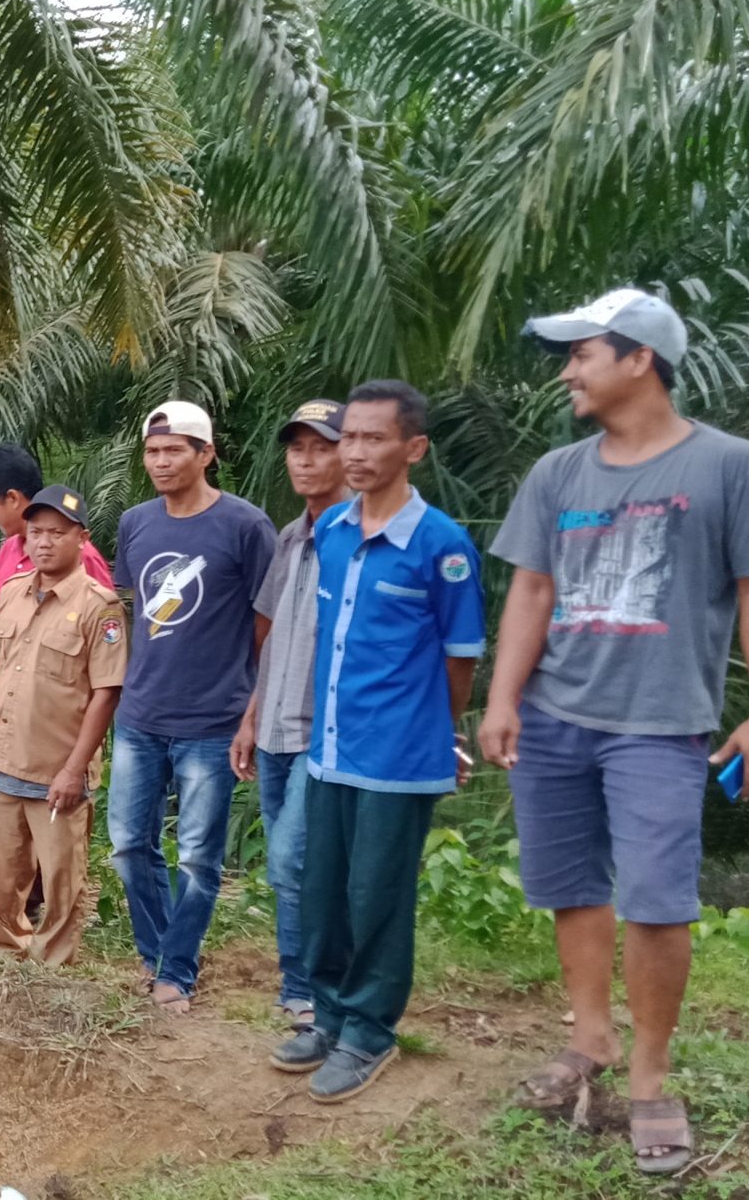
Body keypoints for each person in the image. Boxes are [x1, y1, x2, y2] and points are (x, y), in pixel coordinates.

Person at [478, 289, 749, 1174]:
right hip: (555, 716)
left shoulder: (730, 467)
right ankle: (592, 1037)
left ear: (639, 359)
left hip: (661, 723)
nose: (569, 370)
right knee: (573, 884)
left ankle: (651, 1077)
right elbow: (532, 591)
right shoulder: (557, 474)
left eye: (582, 353)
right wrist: (503, 700)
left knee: (658, 898)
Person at [268, 382, 484, 1103]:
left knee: (377, 899)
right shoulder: (330, 534)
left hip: (396, 760)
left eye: (372, 439)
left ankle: (369, 1030)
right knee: (323, 892)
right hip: (327, 752)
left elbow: (460, 659)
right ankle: (328, 1016)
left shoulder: (441, 545)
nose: (354, 452)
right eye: (347, 438)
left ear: (412, 448)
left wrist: (430, 730)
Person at [107, 402, 280, 1013]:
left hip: (213, 721)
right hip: (140, 716)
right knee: (130, 845)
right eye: (152, 451)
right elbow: (134, 614)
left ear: (206, 455)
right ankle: (159, 956)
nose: (160, 462)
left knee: (199, 857)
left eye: (174, 450)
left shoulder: (245, 526)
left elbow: (271, 623)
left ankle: (175, 972)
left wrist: (252, 707)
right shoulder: (136, 523)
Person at [0, 445, 116, 946]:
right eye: (37, 532)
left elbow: (100, 678)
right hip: (4, 726)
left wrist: (77, 760)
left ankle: (48, 939)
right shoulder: (14, 563)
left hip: (54, 736)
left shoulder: (89, 577)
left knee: (55, 844)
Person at [229, 400, 348, 1030]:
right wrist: (250, 717)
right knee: (289, 860)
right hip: (274, 724)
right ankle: (298, 985)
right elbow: (269, 638)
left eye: (321, 446)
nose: (306, 459)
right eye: (297, 447)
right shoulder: (290, 536)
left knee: (292, 859)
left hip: (326, 735)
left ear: (349, 454)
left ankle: (309, 990)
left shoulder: (356, 539)